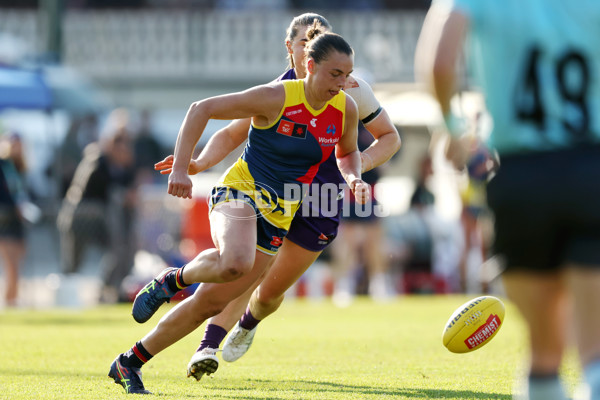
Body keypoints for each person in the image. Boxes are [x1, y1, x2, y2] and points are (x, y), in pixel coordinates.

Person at [109, 28, 369, 394]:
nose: (342, 83)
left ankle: (128, 363)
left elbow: (347, 152)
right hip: (240, 193)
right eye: (334, 74)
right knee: (236, 260)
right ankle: (174, 278)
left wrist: (354, 177)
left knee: (209, 304)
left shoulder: (346, 108)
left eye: (347, 74)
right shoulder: (275, 97)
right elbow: (202, 109)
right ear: (309, 66)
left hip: (279, 213)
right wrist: (185, 167)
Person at [168, 13, 400, 375]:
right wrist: (197, 163)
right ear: (291, 50)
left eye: (315, 42)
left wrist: (352, 171)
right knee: (244, 272)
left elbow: (390, 137)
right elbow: (231, 135)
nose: (309, 50)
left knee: (271, 292)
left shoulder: (350, 90)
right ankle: (207, 346)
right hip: (271, 193)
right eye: (302, 44)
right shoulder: (276, 93)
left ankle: (248, 324)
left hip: (320, 199)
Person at [416, 1, 600, 400]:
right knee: (595, 351)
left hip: (520, 177)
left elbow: (439, 63)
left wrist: (451, 127)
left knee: (544, 352)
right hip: (591, 168)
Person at [57, 109, 137, 302]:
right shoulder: (97, 159)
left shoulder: (124, 167)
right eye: (119, 141)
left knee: (122, 248)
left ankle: (109, 289)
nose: (124, 147)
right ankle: (67, 297)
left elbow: (130, 192)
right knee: (72, 264)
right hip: (82, 214)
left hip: (104, 218)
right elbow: (94, 189)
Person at [0, 132, 28, 307]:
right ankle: (10, 301)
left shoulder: (20, 168)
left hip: (18, 220)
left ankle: (12, 298)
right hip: (5, 219)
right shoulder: (3, 166)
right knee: (11, 264)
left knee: (17, 263)